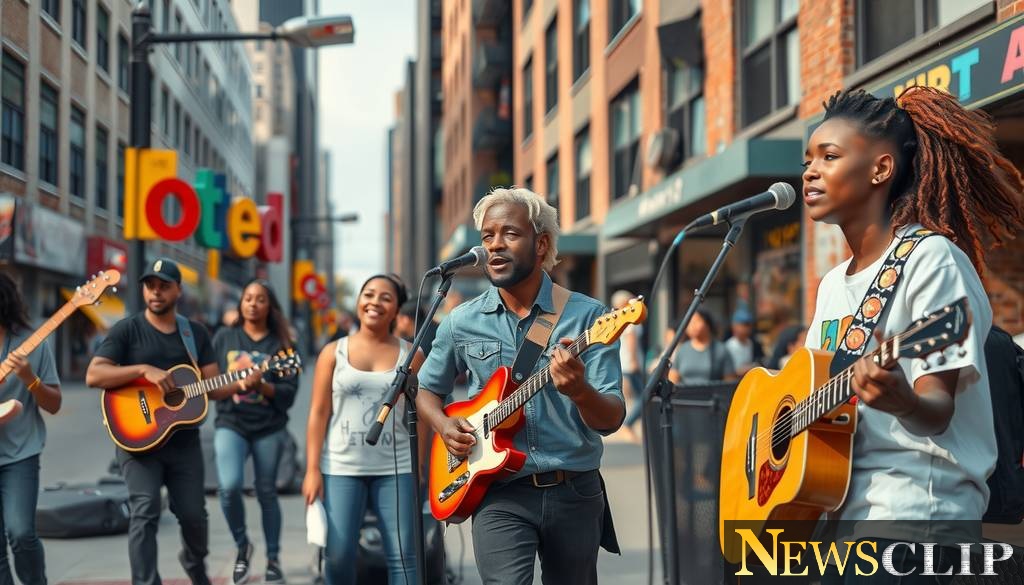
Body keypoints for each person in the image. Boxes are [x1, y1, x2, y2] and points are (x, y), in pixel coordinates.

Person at [801, 87, 1024, 583]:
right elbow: (811, 397)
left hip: (916, 520)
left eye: (829, 156)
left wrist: (900, 399)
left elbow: (937, 410)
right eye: (808, 160)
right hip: (844, 520)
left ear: (880, 170)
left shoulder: (931, 260)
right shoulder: (834, 286)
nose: (810, 171)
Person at [416, 188, 624, 585]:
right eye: (487, 235)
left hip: (574, 490)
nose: (494, 244)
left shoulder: (590, 317)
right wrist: (444, 426)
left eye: (509, 233)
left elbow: (611, 418)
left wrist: (579, 390)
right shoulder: (461, 321)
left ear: (541, 243)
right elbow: (426, 390)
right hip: (497, 491)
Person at [86, 259, 253, 585]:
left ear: (178, 290)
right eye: (151, 285)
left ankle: (193, 561)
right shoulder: (127, 330)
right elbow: (95, 374)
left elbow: (212, 388)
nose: (156, 292)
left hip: (183, 443)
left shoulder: (195, 334)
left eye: (164, 286)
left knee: (194, 517)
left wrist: (244, 381)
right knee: (145, 510)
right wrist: (141, 370)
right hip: (136, 439)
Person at [303, 274, 425, 585]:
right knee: (339, 554)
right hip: (341, 467)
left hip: (396, 468)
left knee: (404, 557)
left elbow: (422, 417)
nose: (375, 302)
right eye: (368, 294)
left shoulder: (412, 355)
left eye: (386, 297)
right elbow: (318, 413)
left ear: (397, 309)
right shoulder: (333, 352)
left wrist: (420, 467)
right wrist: (312, 469)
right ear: (358, 302)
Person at [212, 279, 299, 585]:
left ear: (270, 306)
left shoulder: (282, 347)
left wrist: (262, 385)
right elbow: (211, 383)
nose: (252, 303)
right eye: (247, 298)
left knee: (266, 491)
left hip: (268, 426)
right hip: (231, 422)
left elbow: (289, 394)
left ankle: (273, 559)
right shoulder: (224, 337)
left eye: (260, 299)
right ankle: (242, 546)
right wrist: (236, 385)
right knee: (229, 486)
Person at [0, 273, 60, 585]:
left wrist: (29, 379)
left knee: (21, 533)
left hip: (19, 455)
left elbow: (54, 404)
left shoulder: (32, 343)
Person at [668, 308, 735, 386]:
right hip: (684, 396)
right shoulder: (682, 350)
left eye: (696, 321)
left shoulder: (721, 350)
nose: (692, 326)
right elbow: (673, 378)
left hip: (712, 396)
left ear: (707, 324)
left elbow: (729, 381)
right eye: (689, 322)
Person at [611, 290, 644, 443]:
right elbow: (632, 342)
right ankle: (628, 424)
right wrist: (634, 362)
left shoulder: (619, 319)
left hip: (624, 362)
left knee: (641, 396)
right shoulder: (631, 318)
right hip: (632, 363)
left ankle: (629, 425)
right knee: (644, 397)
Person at [722, 307, 764, 376]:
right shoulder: (729, 346)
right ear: (734, 326)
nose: (747, 329)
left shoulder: (753, 344)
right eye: (744, 325)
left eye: (749, 325)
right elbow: (732, 371)